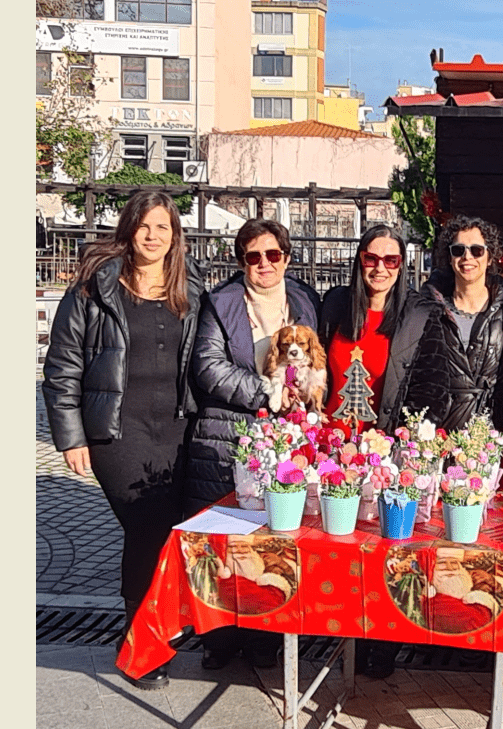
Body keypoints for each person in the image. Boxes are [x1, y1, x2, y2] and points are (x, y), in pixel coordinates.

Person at [42, 191, 204, 691]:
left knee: (169, 534)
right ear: (129, 229)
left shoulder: (191, 287)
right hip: (117, 431)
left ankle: (150, 630)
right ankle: (142, 642)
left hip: (178, 430)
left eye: (163, 227)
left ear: (175, 236)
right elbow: (62, 366)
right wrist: (71, 437)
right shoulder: (94, 290)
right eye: (144, 226)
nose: (153, 236)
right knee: (148, 530)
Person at [187, 217, 320, 670]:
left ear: (287, 258)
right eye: (253, 256)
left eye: (273, 254)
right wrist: (267, 393)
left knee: (272, 542)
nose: (265, 264)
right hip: (227, 435)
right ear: (241, 261)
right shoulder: (221, 303)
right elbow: (208, 366)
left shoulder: (304, 300)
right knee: (223, 542)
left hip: (284, 441)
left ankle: (265, 636)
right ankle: (220, 639)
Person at [399, 215, 503, 431]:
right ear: (450, 257)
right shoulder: (426, 309)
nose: (467, 257)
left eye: (477, 250)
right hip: (440, 428)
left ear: (490, 257)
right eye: (458, 250)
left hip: (493, 426)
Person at [318, 224, 416, 433]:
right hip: (325, 439)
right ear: (360, 261)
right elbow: (309, 361)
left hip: (378, 443)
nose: (380, 268)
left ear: (400, 266)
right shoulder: (335, 304)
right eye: (371, 259)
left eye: (390, 260)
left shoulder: (412, 318)